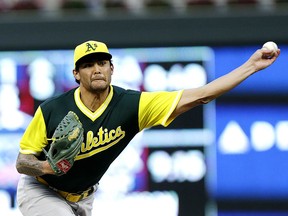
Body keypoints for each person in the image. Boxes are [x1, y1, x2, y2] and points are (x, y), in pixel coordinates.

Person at [15, 40, 280, 216]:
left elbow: (202, 94)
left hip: (83, 199)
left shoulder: (132, 105)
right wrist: (45, 167)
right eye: (87, 64)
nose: (96, 69)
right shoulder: (53, 110)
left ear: (111, 68)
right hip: (42, 190)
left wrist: (252, 66)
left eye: (101, 63)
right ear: (76, 74)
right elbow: (22, 161)